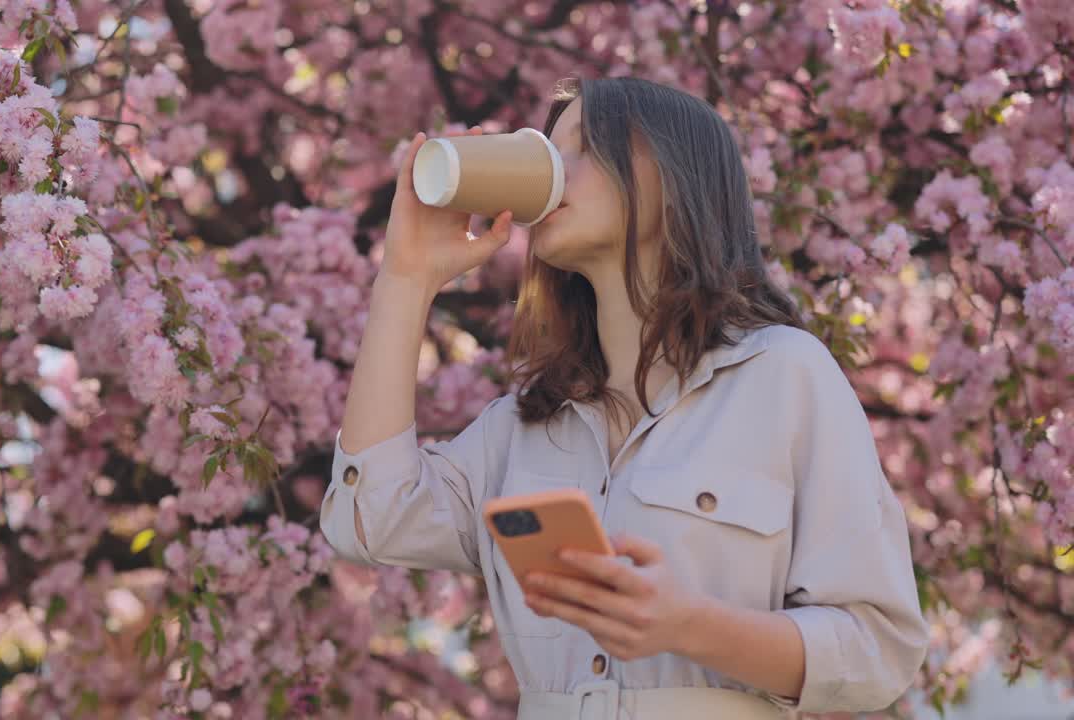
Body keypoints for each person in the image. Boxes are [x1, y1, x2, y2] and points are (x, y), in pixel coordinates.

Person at [319, 76, 930, 719]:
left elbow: (879, 650)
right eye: (545, 153)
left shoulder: (784, 375)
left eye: (580, 148)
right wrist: (405, 278)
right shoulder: (526, 422)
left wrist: (688, 626)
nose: (552, 174)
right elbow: (370, 517)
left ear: (675, 176)